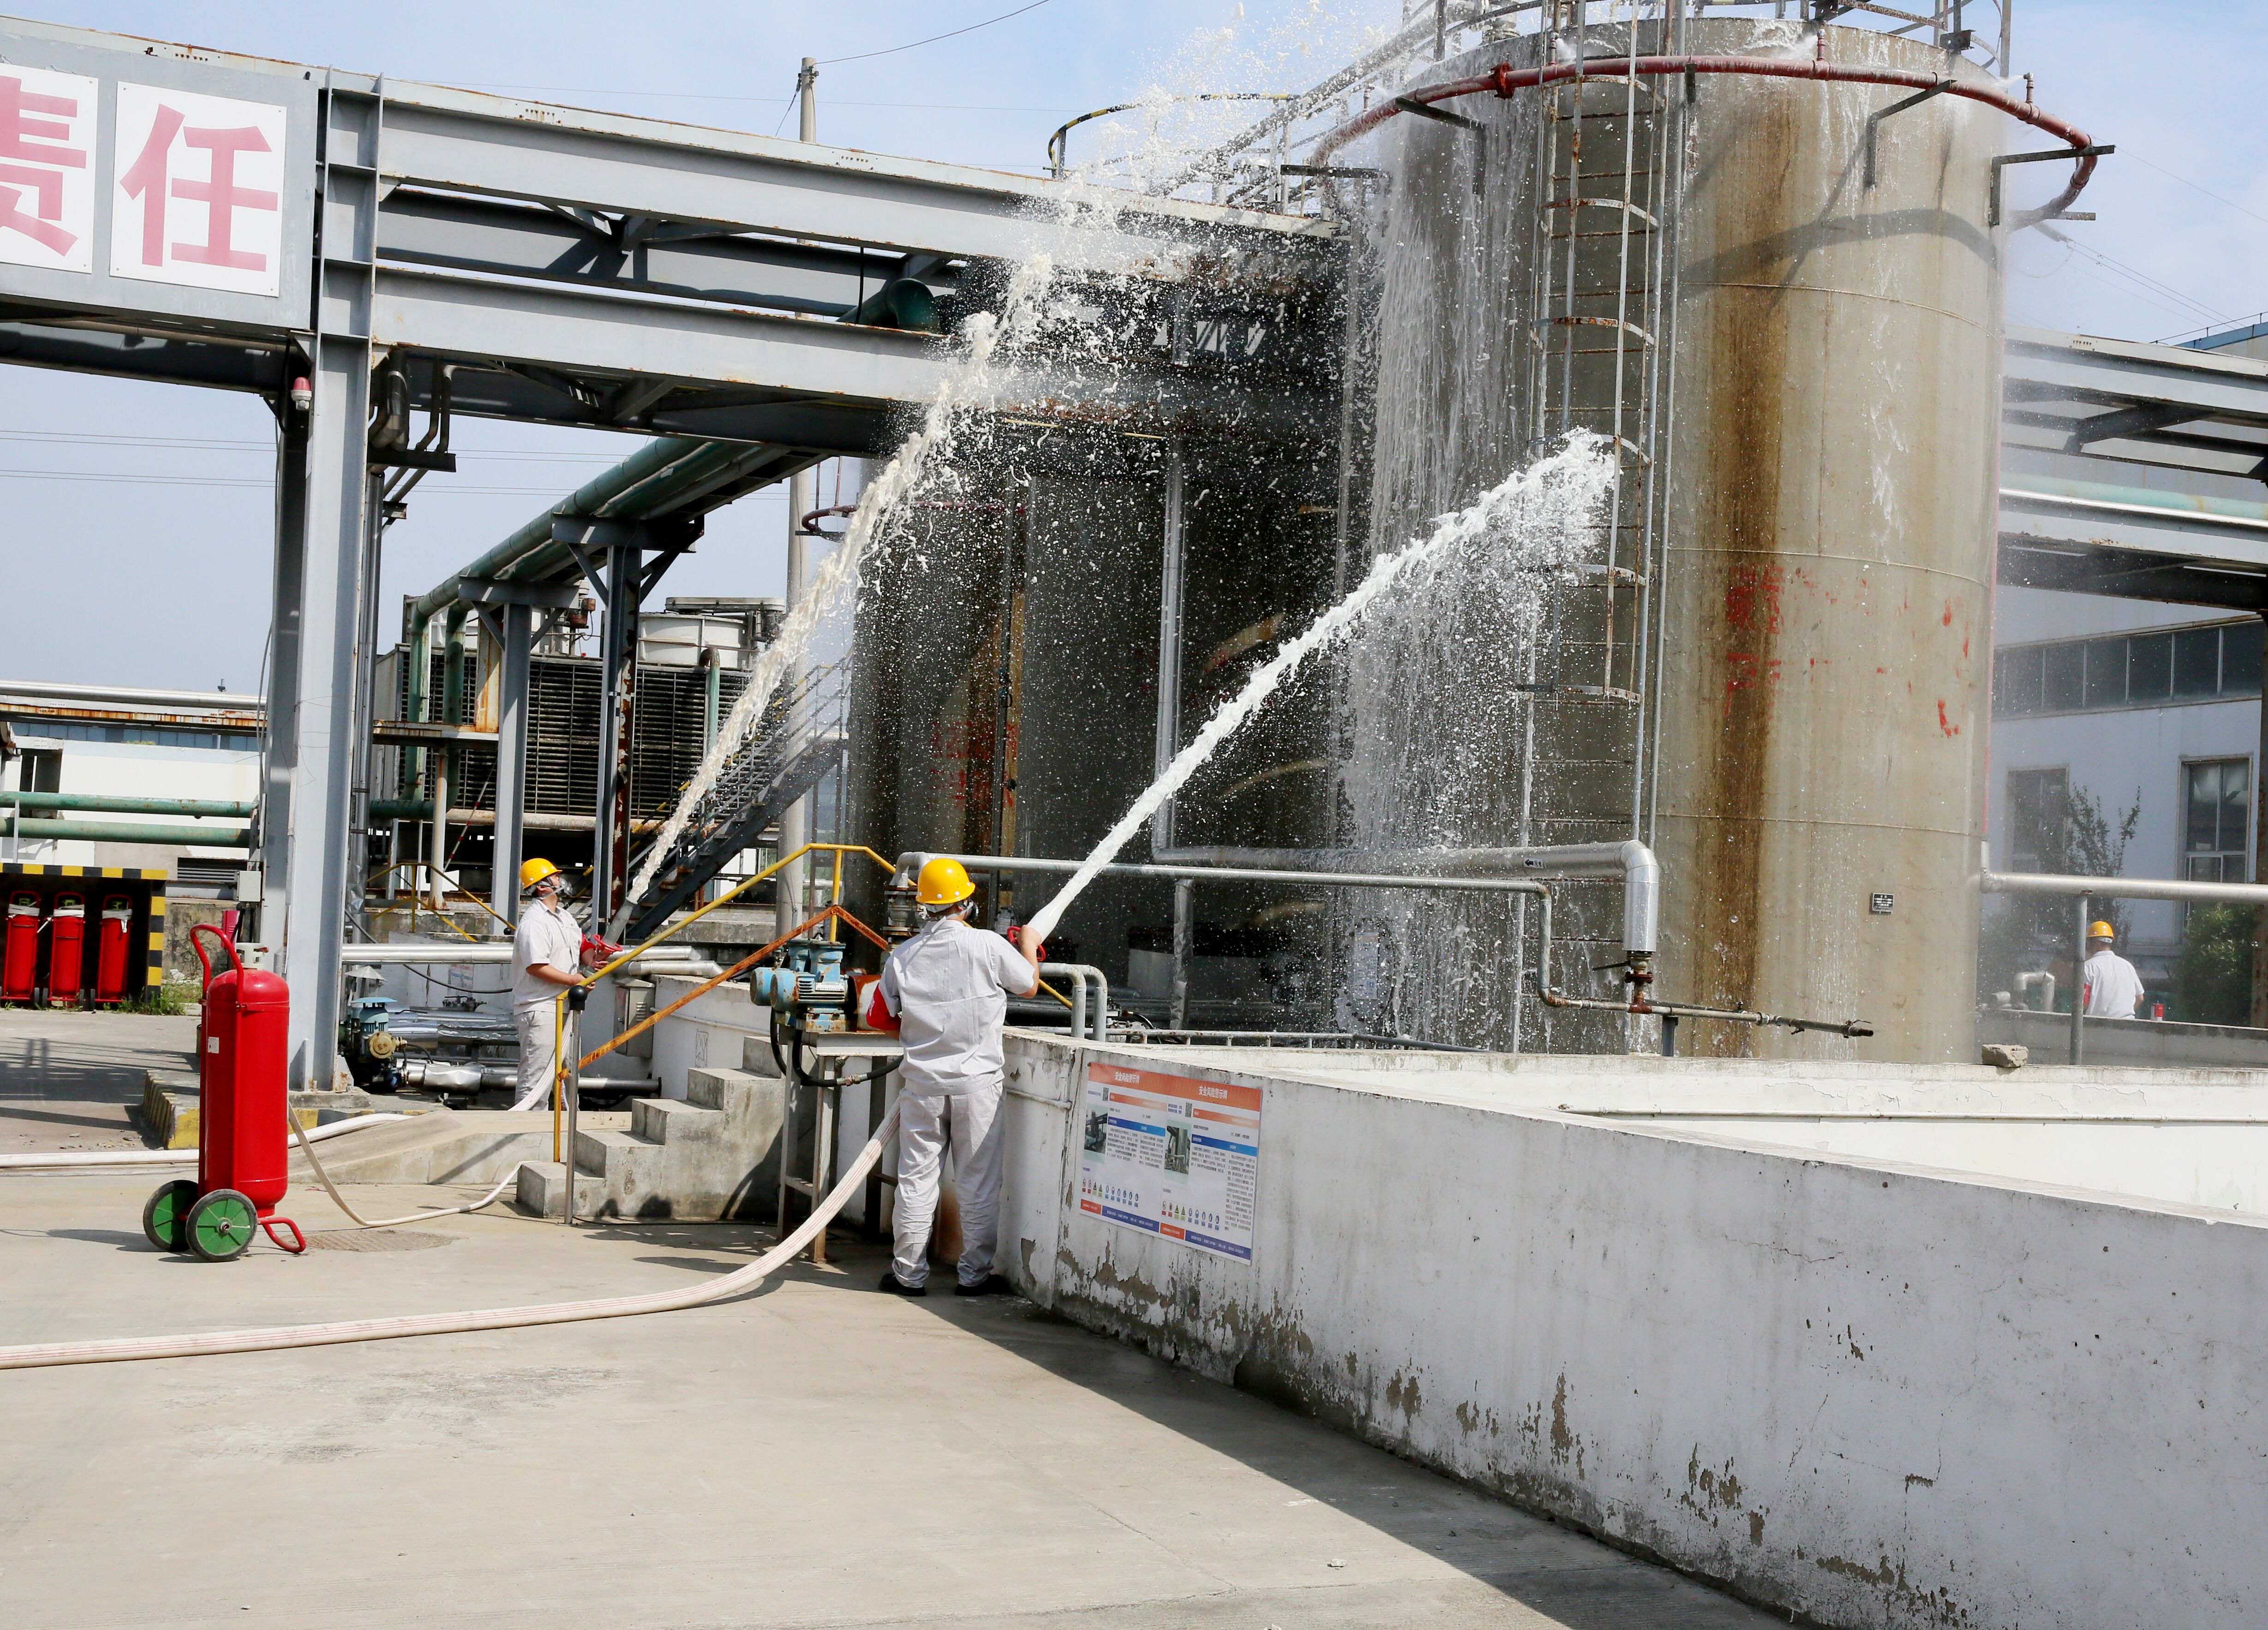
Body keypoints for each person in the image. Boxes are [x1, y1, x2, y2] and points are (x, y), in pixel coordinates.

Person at [865, 856, 1041, 1298]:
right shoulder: (987, 945)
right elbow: (1028, 986)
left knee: (916, 1182)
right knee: (977, 1183)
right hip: (978, 1086)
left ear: (924, 905)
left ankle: (907, 1276)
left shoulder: (903, 956)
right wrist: (1028, 943)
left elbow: (879, 1018)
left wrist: (920, 1035)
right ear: (966, 903)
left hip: (922, 1087)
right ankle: (973, 1277)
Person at [511, 857, 586, 1110]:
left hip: (565, 1006)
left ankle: (568, 1127)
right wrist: (574, 980)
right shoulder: (535, 922)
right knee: (537, 1079)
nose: (560, 880)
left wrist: (591, 958)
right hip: (541, 1008)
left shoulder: (564, 917)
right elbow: (536, 966)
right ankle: (528, 1128)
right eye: (554, 877)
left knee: (568, 1074)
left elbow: (579, 948)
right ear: (542, 886)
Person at [2080, 919, 2144, 1019]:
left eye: (2088, 942)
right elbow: (2140, 998)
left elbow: (2084, 1002)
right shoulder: (2127, 966)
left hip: (2097, 1025)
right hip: (2127, 1025)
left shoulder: (2089, 967)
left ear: (2097, 944)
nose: (2087, 946)